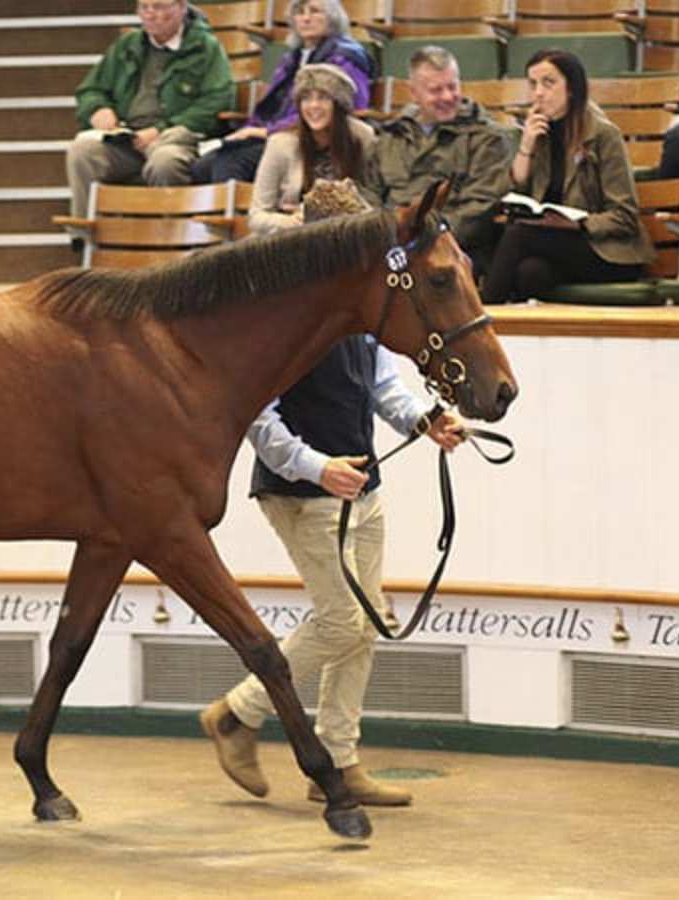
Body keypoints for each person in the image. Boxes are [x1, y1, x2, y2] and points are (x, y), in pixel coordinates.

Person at [200, 179, 467, 805]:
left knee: (363, 626)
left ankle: (341, 761)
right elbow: (258, 417)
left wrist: (424, 420)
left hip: (361, 485)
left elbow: (383, 387)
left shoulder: (366, 307)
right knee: (345, 620)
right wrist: (316, 468)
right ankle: (237, 713)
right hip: (301, 491)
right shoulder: (276, 318)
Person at [482, 49, 653, 304]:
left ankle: (485, 316)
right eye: (533, 84)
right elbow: (513, 190)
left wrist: (578, 223)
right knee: (530, 273)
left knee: (519, 236)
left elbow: (624, 217)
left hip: (607, 252)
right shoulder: (538, 132)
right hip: (554, 247)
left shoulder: (604, 135)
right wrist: (527, 145)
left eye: (548, 83)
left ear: (572, 87)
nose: (538, 92)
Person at [64, 0, 234, 218]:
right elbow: (90, 89)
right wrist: (98, 108)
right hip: (126, 138)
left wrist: (161, 129)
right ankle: (88, 235)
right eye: (144, 8)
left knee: (165, 162)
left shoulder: (205, 47)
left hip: (175, 136)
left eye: (159, 7)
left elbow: (218, 99)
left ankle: (170, 239)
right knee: (82, 151)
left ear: (181, 8)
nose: (151, 14)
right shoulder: (128, 44)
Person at [361, 46, 510, 279]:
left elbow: (479, 208)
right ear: (414, 92)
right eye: (436, 90)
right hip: (388, 246)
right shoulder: (389, 137)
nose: (448, 97)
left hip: (451, 249)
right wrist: (384, 236)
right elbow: (368, 193)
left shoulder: (485, 138)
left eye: (452, 86)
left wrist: (418, 240)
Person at [193, 0, 373, 184]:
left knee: (233, 161)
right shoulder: (291, 58)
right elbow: (271, 107)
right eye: (300, 12)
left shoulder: (346, 56)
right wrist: (247, 130)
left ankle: (240, 211)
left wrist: (265, 131)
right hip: (277, 133)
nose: (306, 18)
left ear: (333, 17)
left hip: (315, 138)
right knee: (203, 165)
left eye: (315, 12)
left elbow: (345, 108)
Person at [247, 63, 375, 235]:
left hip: (345, 237)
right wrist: (291, 222)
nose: (313, 105)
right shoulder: (280, 144)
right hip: (291, 239)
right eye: (306, 98)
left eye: (323, 97)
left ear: (338, 104)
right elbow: (256, 216)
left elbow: (373, 202)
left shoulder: (362, 137)